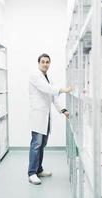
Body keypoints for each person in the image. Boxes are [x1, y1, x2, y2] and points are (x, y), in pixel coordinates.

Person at [28, 53, 73, 185]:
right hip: (38, 115)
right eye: (43, 62)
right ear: (38, 63)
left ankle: (39, 170)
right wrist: (63, 89)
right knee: (36, 145)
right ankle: (31, 173)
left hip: (46, 116)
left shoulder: (48, 77)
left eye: (47, 62)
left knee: (42, 145)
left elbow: (53, 97)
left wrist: (62, 110)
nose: (45, 64)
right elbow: (47, 89)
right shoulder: (35, 75)